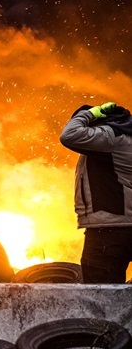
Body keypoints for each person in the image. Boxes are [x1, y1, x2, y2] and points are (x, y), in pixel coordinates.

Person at [59, 101, 132, 283]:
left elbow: (69, 135)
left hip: (109, 231)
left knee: (101, 299)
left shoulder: (113, 138)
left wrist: (90, 113)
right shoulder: (124, 138)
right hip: (120, 227)